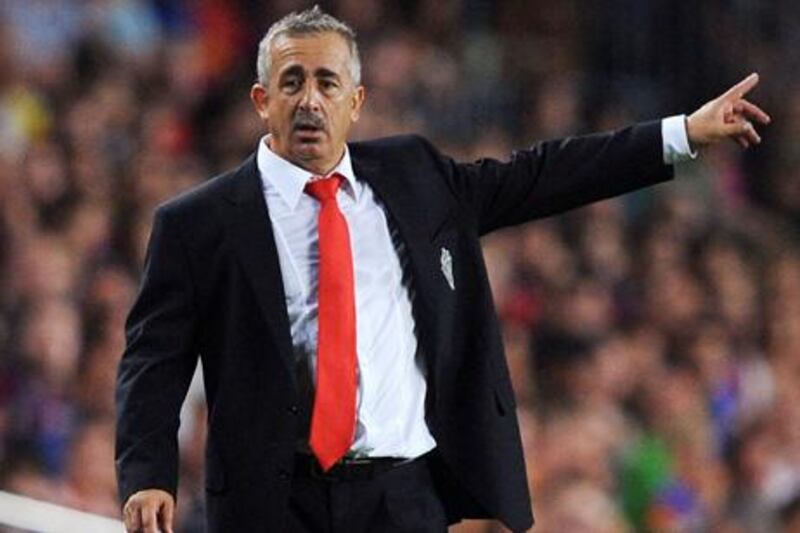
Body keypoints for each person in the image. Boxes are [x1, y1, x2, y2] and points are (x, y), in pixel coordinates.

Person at [114, 6, 770, 533]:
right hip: (272, 500)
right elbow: (153, 361)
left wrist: (682, 132)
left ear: (357, 100)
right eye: (291, 81)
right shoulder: (196, 222)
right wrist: (147, 471)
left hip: (401, 496)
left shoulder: (413, 177)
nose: (309, 100)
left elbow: (543, 174)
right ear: (261, 99)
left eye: (327, 82)